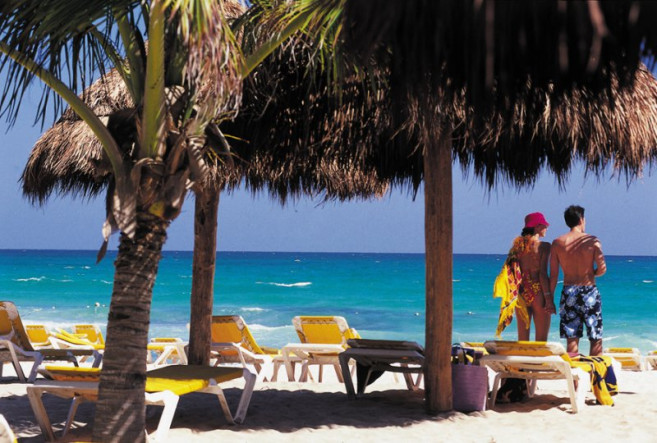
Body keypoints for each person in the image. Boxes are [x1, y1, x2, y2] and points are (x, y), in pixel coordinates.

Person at [549, 205, 607, 356]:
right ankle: (595, 371)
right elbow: (602, 268)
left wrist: (549, 299)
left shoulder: (557, 242)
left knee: (572, 338)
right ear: (581, 219)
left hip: (569, 292)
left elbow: (554, 275)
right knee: (595, 338)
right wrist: (592, 273)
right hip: (589, 291)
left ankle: (573, 372)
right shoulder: (592, 241)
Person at [494, 212, 552, 340]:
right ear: (537, 227)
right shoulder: (544, 247)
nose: (547, 228)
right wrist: (548, 299)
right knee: (541, 341)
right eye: (545, 225)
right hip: (538, 292)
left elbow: (512, 270)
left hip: (521, 294)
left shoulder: (517, 246)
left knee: (522, 339)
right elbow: (542, 274)